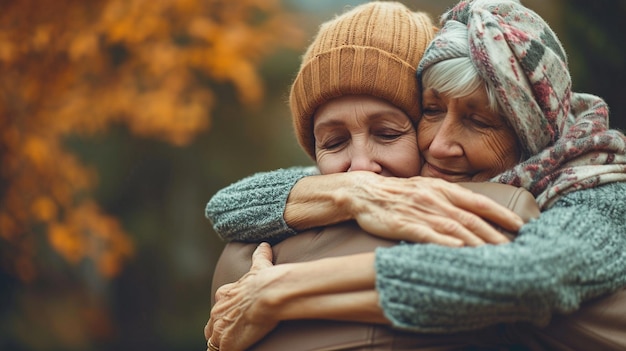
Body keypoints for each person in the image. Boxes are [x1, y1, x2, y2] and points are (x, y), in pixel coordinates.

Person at [206, 0, 626, 350]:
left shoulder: (596, 193)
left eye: (479, 122)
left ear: (531, 135)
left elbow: (529, 277)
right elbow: (229, 204)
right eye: (431, 110)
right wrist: (354, 193)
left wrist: (280, 290)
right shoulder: (388, 179)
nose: (440, 145)